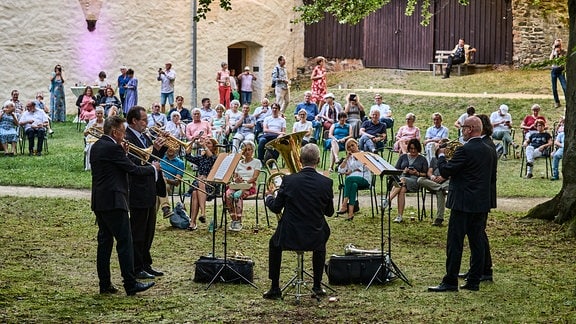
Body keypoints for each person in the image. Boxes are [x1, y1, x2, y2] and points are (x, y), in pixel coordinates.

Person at [428, 116, 496, 292]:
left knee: (455, 243)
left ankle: (450, 281)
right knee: (477, 242)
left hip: (462, 203)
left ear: (470, 129)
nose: (462, 131)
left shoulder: (465, 150)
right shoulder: (489, 149)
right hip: (480, 203)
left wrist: (441, 155)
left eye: (464, 128)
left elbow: (445, 171)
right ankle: (474, 281)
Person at [90, 115, 156, 296]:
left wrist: (124, 153)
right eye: (123, 132)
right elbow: (133, 170)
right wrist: (153, 169)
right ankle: (130, 283)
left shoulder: (96, 146)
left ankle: (105, 284)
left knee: (104, 243)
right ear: (114, 131)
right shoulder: (112, 147)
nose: (125, 136)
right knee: (125, 242)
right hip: (114, 201)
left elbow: (113, 168)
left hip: (99, 201)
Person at [263, 144, 333, 300]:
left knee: (274, 244)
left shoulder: (288, 180)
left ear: (300, 160)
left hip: (290, 234)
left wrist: (269, 197)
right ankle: (317, 286)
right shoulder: (326, 183)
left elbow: (275, 208)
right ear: (319, 160)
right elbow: (329, 212)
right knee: (321, 244)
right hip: (315, 234)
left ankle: (275, 287)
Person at [124, 106, 168, 280]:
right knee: (138, 230)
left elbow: (152, 159)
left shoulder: (144, 136)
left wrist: (160, 147)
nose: (147, 123)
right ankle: (136, 266)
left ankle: (145, 263)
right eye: (144, 120)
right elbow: (135, 162)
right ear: (134, 121)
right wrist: (153, 156)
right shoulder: (127, 137)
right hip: (137, 188)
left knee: (149, 229)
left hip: (150, 187)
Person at [386, 138, 428, 223]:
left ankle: (387, 200)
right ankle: (399, 216)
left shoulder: (422, 159)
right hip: (402, 180)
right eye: (411, 148)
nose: (413, 151)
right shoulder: (403, 157)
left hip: (415, 180)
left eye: (415, 149)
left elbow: (426, 174)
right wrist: (403, 171)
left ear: (418, 149)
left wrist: (417, 173)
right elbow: (395, 170)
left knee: (402, 180)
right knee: (402, 189)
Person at [225, 141, 262, 231]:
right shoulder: (239, 162)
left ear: (253, 151)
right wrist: (237, 180)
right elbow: (235, 177)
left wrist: (245, 181)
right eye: (245, 150)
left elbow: (255, 177)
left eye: (249, 150)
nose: (247, 152)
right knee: (228, 194)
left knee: (237, 195)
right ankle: (233, 219)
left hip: (249, 186)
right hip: (238, 184)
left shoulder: (257, 162)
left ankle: (239, 220)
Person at [184, 138, 218, 230]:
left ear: (214, 147)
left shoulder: (216, 158)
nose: (206, 144)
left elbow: (211, 158)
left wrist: (203, 145)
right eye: (205, 143)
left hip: (211, 184)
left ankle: (197, 218)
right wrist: (192, 141)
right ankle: (196, 219)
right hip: (199, 184)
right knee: (196, 190)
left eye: (208, 143)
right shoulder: (201, 158)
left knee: (200, 184)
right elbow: (187, 156)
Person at [336, 138, 371, 221]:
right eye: (348, 147)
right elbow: (340, 170)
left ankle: (344, 205)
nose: (351, 148)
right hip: (353, 182)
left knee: (349, 179)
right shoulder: (350, 158)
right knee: (353, 185)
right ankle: (350, 213)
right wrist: (346, 158)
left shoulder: (363, 154)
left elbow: (366, 167)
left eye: (352, 145)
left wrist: (352, 170)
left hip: (364, 179)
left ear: (357, 144)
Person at [417, 155, 450, 226]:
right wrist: (432, 176)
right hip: (433, 182)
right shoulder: (434, 159)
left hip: (446, 181)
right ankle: (439, 188)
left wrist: (444, 177)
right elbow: (429, 171)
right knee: (420, 180)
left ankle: (439, 218)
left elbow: (454, 172)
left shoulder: (451, 159)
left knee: (441, 190)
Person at [157, 145, 184, 220]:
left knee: (163, 184)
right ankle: (165, 209)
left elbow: (177, 182)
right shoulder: (160, 158)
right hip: (155, 184)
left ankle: (165, 208)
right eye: (168, 147)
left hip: (169, 185)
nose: (170, 148)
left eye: (173, 147)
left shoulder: (180, 163)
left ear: (177, 149)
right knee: (156, 195)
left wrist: (165, 179)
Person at [550, 39, 567, 108]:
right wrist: (553, 51)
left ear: (561, 45)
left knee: (565, 87)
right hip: (554, 71)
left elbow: (563, 61)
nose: (557, 46)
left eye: (558, 45)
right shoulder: (553, 51)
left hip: (560, 71)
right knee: (554, 88)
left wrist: (559, 53)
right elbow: (550, 60)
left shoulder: (563, 51)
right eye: (556, 45)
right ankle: (557, 102)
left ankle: (567, 101)